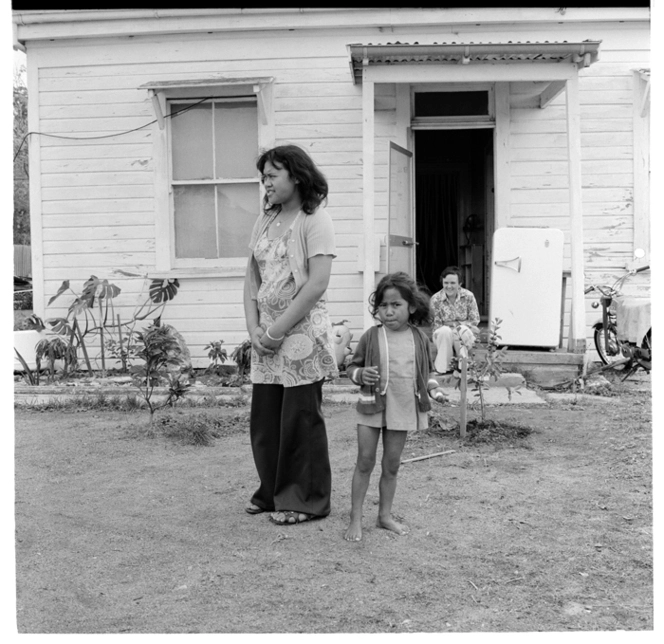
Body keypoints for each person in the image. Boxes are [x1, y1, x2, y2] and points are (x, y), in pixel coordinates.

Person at [243, 144, 338, 526]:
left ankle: (306, 499)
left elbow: (316, 284)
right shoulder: (264, 221)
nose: (265, 184)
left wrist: (277, 330)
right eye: (263, 177)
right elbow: (251, 280)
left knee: (300, 420)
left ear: (296, 176)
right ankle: (272, 492)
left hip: (300, 336)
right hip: (266, 337)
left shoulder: (315, 220)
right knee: (266, 420)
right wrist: (254, 329)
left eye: (271, 176)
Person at [344, 272, 446, 542]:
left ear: (411, 306)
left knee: (391, 465)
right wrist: (360, 374)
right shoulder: (371, 336)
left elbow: (428, 373)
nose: (388, 312)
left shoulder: (420, 339)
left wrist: (435, 391)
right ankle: (356, 517)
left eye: (396, 305)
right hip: (371, 407)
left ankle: (384, 515)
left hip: (402, 407)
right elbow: (351, 366)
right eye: (383, 305)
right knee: (364, 461)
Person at [430, 266, 480, 374]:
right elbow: (436, 324)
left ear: (460, 283)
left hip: (464, 334)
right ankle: (443, 368)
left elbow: (474, 321)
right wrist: (453, 329)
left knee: (462, 330)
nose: (449, 286)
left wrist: (456, 326)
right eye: (446, 283)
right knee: (445, 331)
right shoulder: (435, 299)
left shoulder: (468, 296)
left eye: (453, 283)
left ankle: (463, 366)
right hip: (444, 336)